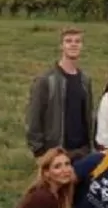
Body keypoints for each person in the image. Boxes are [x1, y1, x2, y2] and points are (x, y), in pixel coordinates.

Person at [25, 27, 94, 159]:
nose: (73, 44)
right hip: (56, 152)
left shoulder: (85, 80)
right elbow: (33, 118)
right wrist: (39, 151)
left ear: (82, 46)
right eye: (68, 41)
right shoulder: (45, 80)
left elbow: (88, 115)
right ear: (61, 46)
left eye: (77, 41)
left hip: (82, 152)